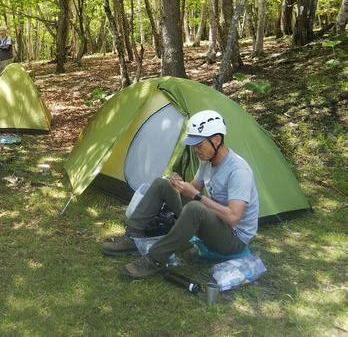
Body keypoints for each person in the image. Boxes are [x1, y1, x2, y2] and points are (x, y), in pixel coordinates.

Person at [100, 109, 259, 279]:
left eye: (199, 145)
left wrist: (196, 196)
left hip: (234, 238)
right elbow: (193, 187)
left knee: (195, 208)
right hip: (216, 222)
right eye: (193, 145)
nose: (196, 150)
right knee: (162, 184)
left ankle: (154, 260)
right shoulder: (208, 161)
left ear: (217, 140)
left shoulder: (238, 170)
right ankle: (133, 236)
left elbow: (234, 217)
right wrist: (178, 185)